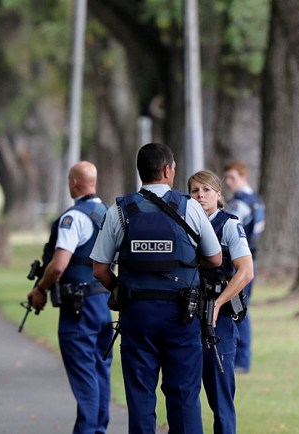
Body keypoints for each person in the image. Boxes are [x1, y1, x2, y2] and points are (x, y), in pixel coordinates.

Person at [91, 143, 222, 434]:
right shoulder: (189, 206)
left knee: (140, 398)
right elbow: (215, 258)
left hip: (137, 315)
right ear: (167, 170)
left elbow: (100, 268)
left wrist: (122, 291)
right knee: (184, 397)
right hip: (182, 316)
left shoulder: (120, 210)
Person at [28, 161, 113, 434]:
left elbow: (59, 265)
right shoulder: (109, 214)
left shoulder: (73, 218)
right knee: (100, 370)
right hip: (103, 303)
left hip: (79, 307)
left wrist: (40, 288)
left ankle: (87, 430)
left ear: (74, 183)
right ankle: (98, 428)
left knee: (85, 373)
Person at [188, 170, 254, 434]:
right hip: (188, 317)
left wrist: (217, 303)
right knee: (183, 395)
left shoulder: (228, 225)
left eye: (206, 190)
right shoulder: (185, 224)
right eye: (194, 191)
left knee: (221, 402)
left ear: (218, 194)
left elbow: (246, 271)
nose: (200, 195)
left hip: (220, 322)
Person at [223, 160, 265, 373]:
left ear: (243, 176)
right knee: (240, 308)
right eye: (227, 178)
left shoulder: (241, 204)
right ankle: (240, 358)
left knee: (238, 309)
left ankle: (241, 360)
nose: (228, 182)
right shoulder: (257, 200)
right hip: (250, 261)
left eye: (232, 177)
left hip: (239, 263)